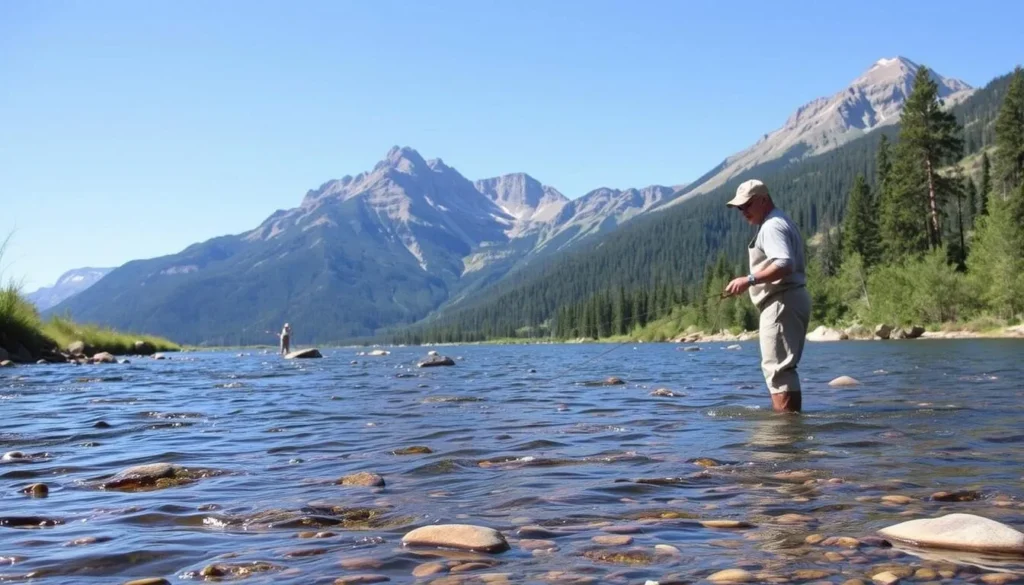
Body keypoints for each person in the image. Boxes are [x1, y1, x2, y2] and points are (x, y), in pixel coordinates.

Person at [723, 179, 811, 413]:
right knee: (783, 369)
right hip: (789, 299)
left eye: (747, 205)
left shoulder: (771, 226)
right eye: (739, 208)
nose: (743, 212)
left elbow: (784, 263)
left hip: (781, 301)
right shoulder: (779, 221)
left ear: (764, 199)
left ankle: (785, 436)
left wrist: (749, 279)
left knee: (778, 370)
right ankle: (791, 430)